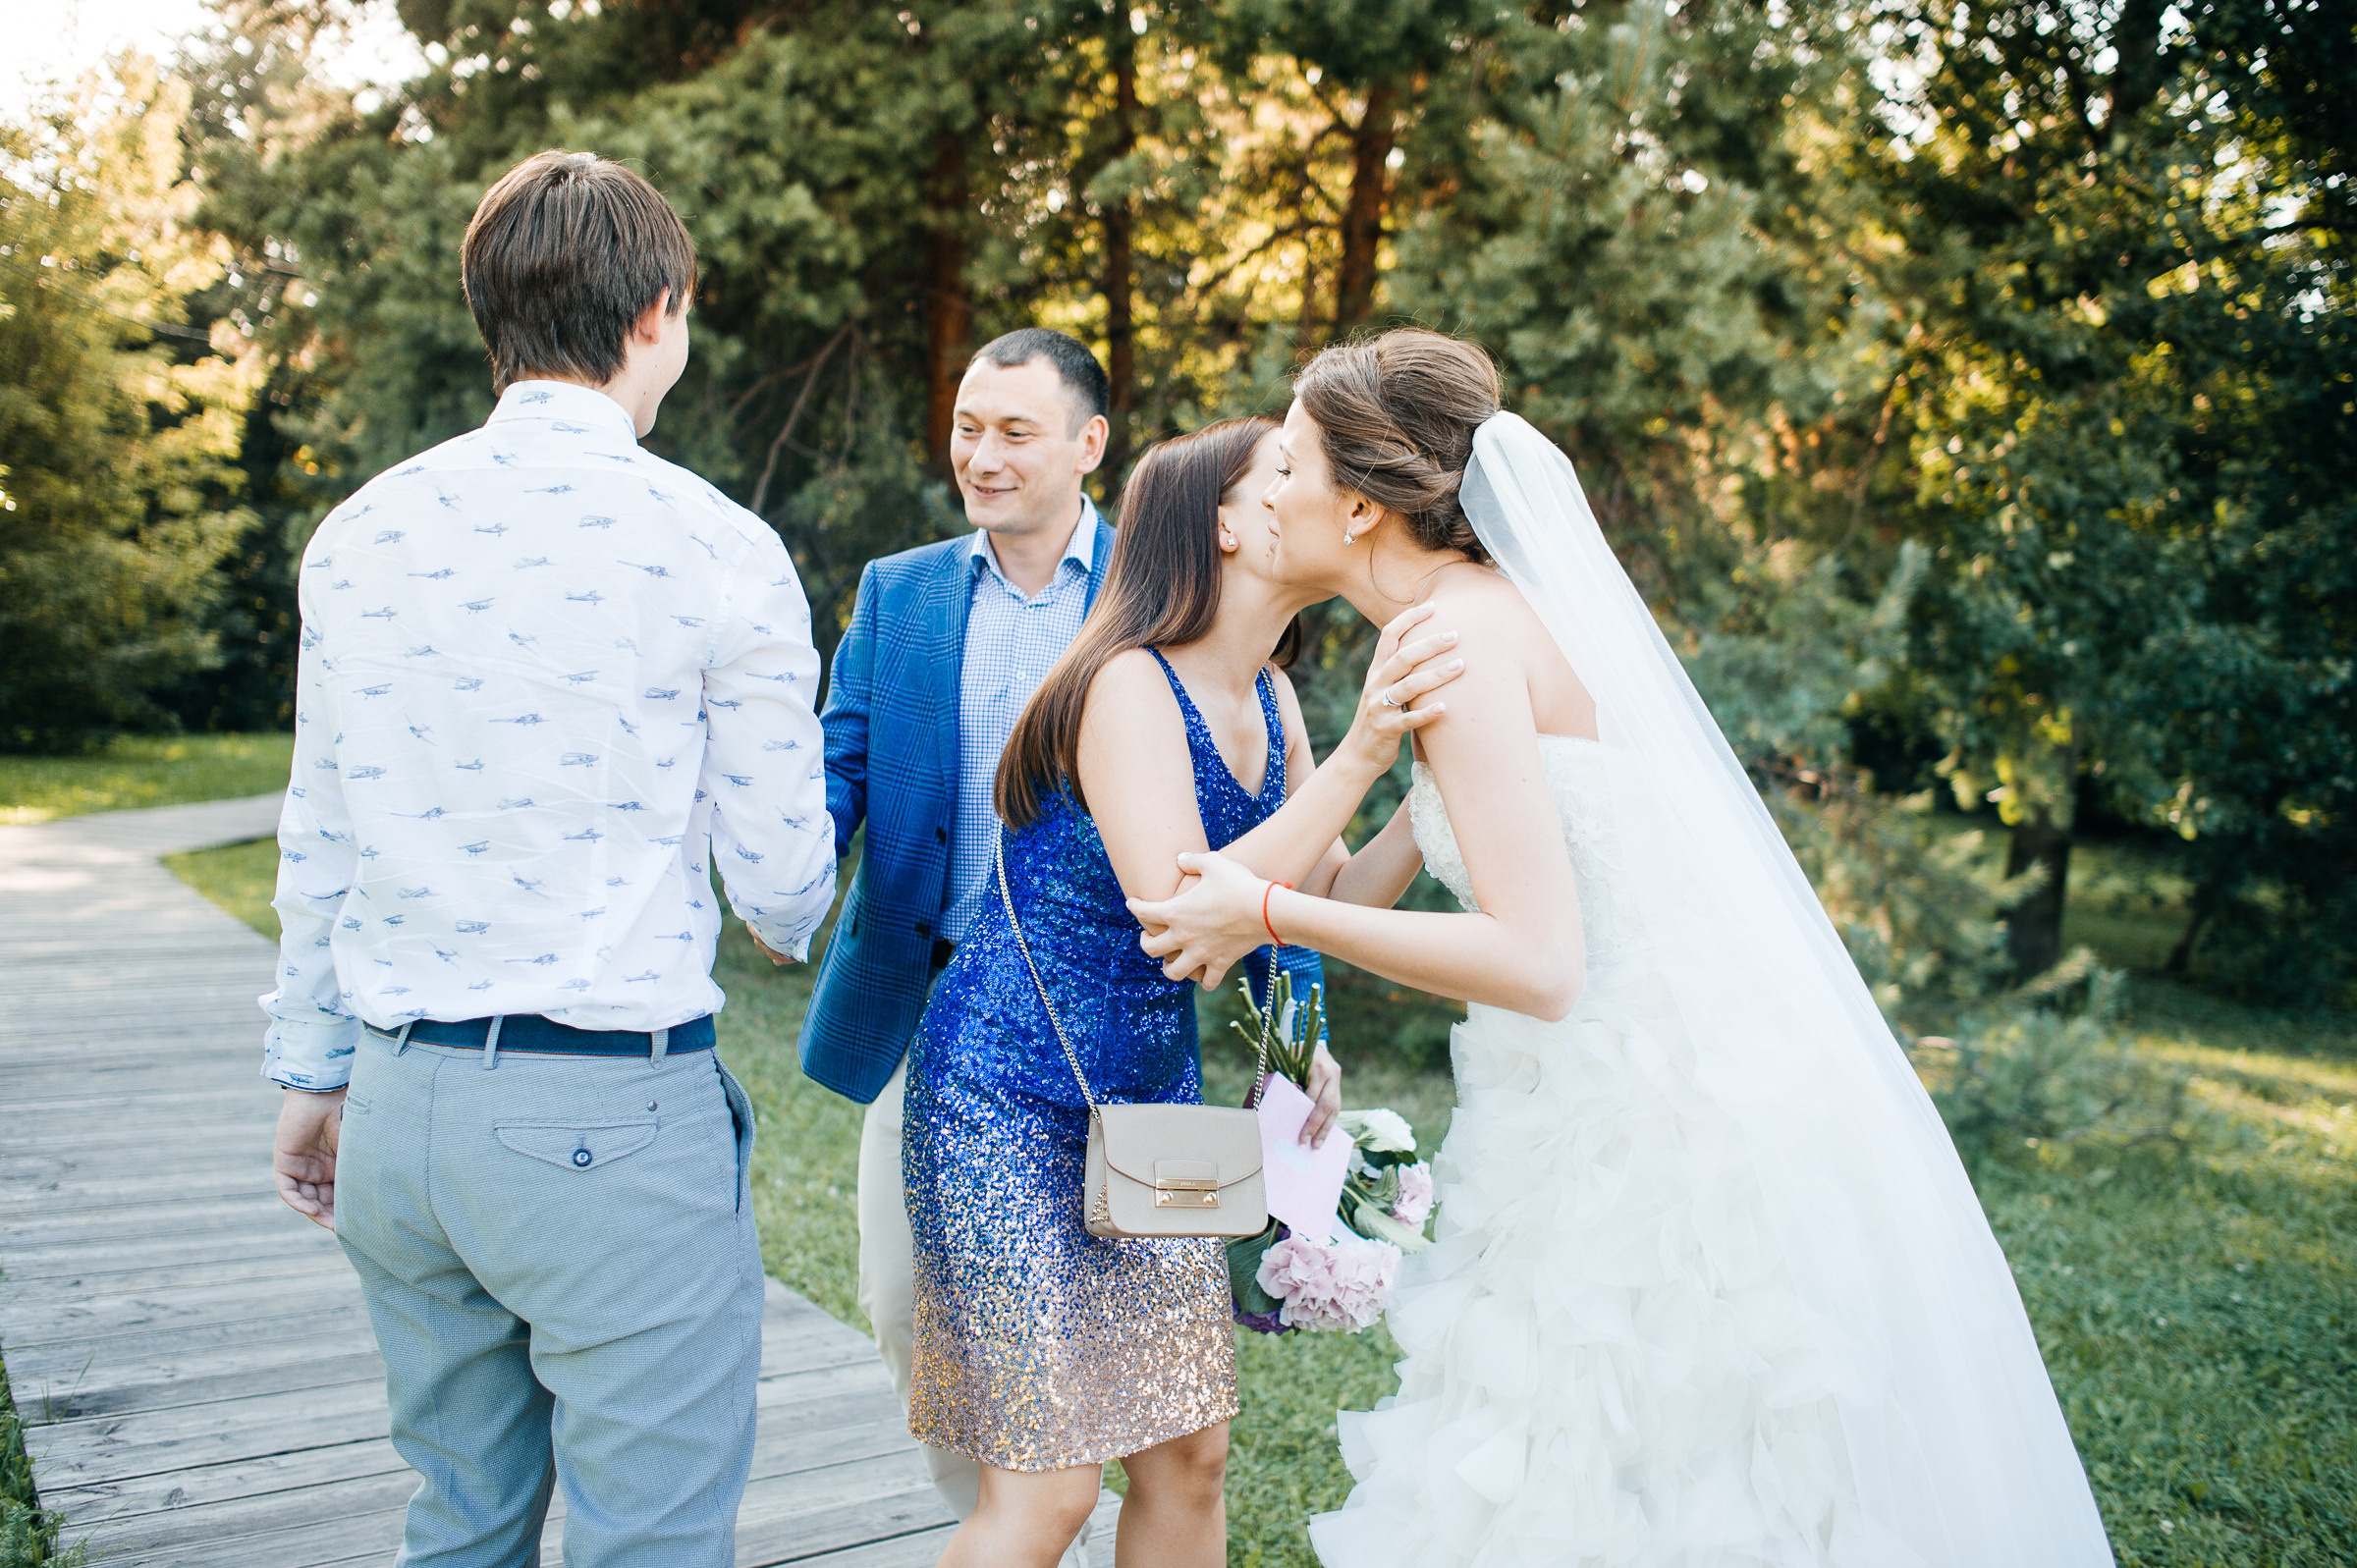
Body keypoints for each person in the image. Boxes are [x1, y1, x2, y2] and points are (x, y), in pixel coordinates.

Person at [1129, 330, 2118, 1567]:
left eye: (1291, 465)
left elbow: (1542, 963)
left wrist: (1269, 913)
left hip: (1642, 1121)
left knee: (1614, 1464)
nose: (1270, 491)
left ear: (1364, 505)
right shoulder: (1471, 621)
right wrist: (1352, 788)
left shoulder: (1460, 640)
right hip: (1626, 1081)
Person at [262, 149, 837, 1567]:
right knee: (652, 1540)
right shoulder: (717, 544)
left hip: (397, 1107)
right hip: (605, 1121)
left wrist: (311, 1073)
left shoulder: (359, 533)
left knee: (458, 1522)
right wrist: (787, 905)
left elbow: (320, 829)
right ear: (656, 312)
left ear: (488, 313)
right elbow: (781, 880)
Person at [791, 330, 1330, 1559]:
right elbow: (839, 769)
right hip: (949, 1024)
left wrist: (1300, 1028)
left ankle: (1031, 1512)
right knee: (910, 1316)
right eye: (966, 428)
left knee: (1169, 1444)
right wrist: (789, 881)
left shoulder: (1155, 599)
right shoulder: (902, 592)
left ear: (1090, 444)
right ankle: (1015, 1515)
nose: (981, 455)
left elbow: (1261, 856)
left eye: (1014, 432)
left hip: (1132, 1053)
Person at [903, 417, 1465, 1568]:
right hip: (1002, 1099)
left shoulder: (1272, 695)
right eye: (1286, 475)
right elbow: (1184, 915)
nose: (1324, 493)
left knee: (1191, 1456)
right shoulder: (1127, 684)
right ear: (1224, 522)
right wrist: (1362, 752)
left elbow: (1333, 894)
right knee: (1050, 1487)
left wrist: (1431, 781)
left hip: (1150, 1109)